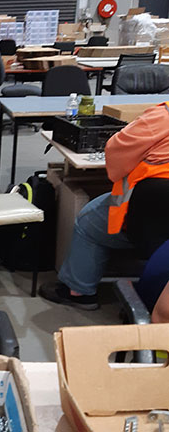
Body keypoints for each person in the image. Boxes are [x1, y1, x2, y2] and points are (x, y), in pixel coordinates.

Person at [40, 103, 169, 310]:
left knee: (88, 221)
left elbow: (116, 151)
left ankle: (78, 292)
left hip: (143, 220)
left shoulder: (161, 118)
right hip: (161, 231)